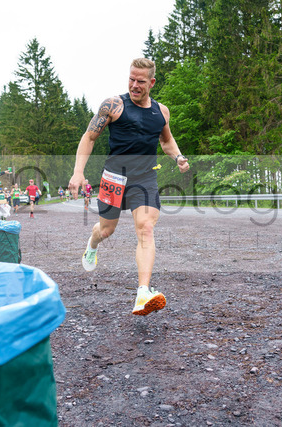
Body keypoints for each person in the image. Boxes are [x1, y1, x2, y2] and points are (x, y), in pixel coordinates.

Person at [68, 58, 190, 316]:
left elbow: (166, 141)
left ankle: (142, 293)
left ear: (152, 82)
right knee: (106, 230)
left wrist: (178, 156)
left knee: (146, 228)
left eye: (141, 81)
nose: (134, 85)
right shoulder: (113, 106)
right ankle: (92, 244)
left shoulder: (161, 112)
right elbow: (89, 137)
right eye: (131, 79)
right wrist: (78, 172)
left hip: (144, 178)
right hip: (114, 178)